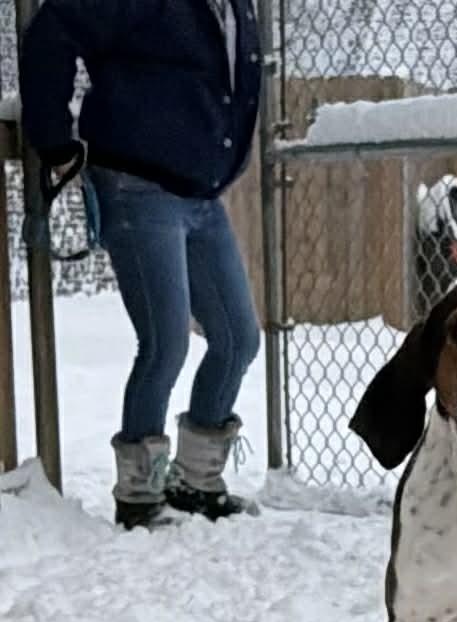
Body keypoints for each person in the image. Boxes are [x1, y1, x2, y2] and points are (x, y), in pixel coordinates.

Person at [20, 0, 263, 528]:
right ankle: (139, 496)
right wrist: (54, 137)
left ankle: (196, 481)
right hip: (137, 186)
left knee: (239, 337)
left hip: (202, 194)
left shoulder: (238, 8)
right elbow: (54, 26)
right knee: (165, 343)